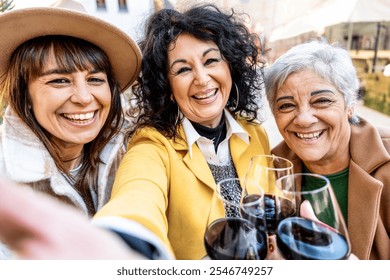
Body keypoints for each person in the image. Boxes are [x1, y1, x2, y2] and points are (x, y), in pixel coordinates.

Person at [94, 4, 271, 260]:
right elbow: (137, 196)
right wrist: (122, 239)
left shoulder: (256, 134)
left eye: (211, 60)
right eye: (183, 69)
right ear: (166, 86)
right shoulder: (152, 146)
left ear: (230, 67)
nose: (202, 78)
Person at [0, 6, 162, 259]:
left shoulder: (130, 149)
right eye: (59, 80)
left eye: (95, 79)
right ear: (24, 95)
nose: (85, 98)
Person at [265, 39, 390, 260]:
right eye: (286, 105)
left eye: (321, 101)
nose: (303, 119)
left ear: (350, 105)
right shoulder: (270, 168)